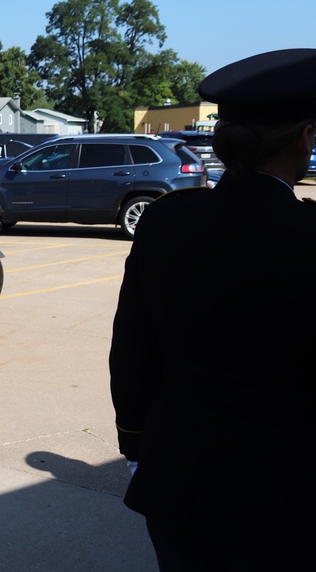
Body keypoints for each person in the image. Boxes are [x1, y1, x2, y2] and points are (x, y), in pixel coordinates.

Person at [109, 49, 316, 570]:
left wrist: (135, 443)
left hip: (181, 474)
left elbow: (132, 349)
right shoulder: (306, 236)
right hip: (289, 488)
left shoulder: (166, 221)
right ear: (304, 139)